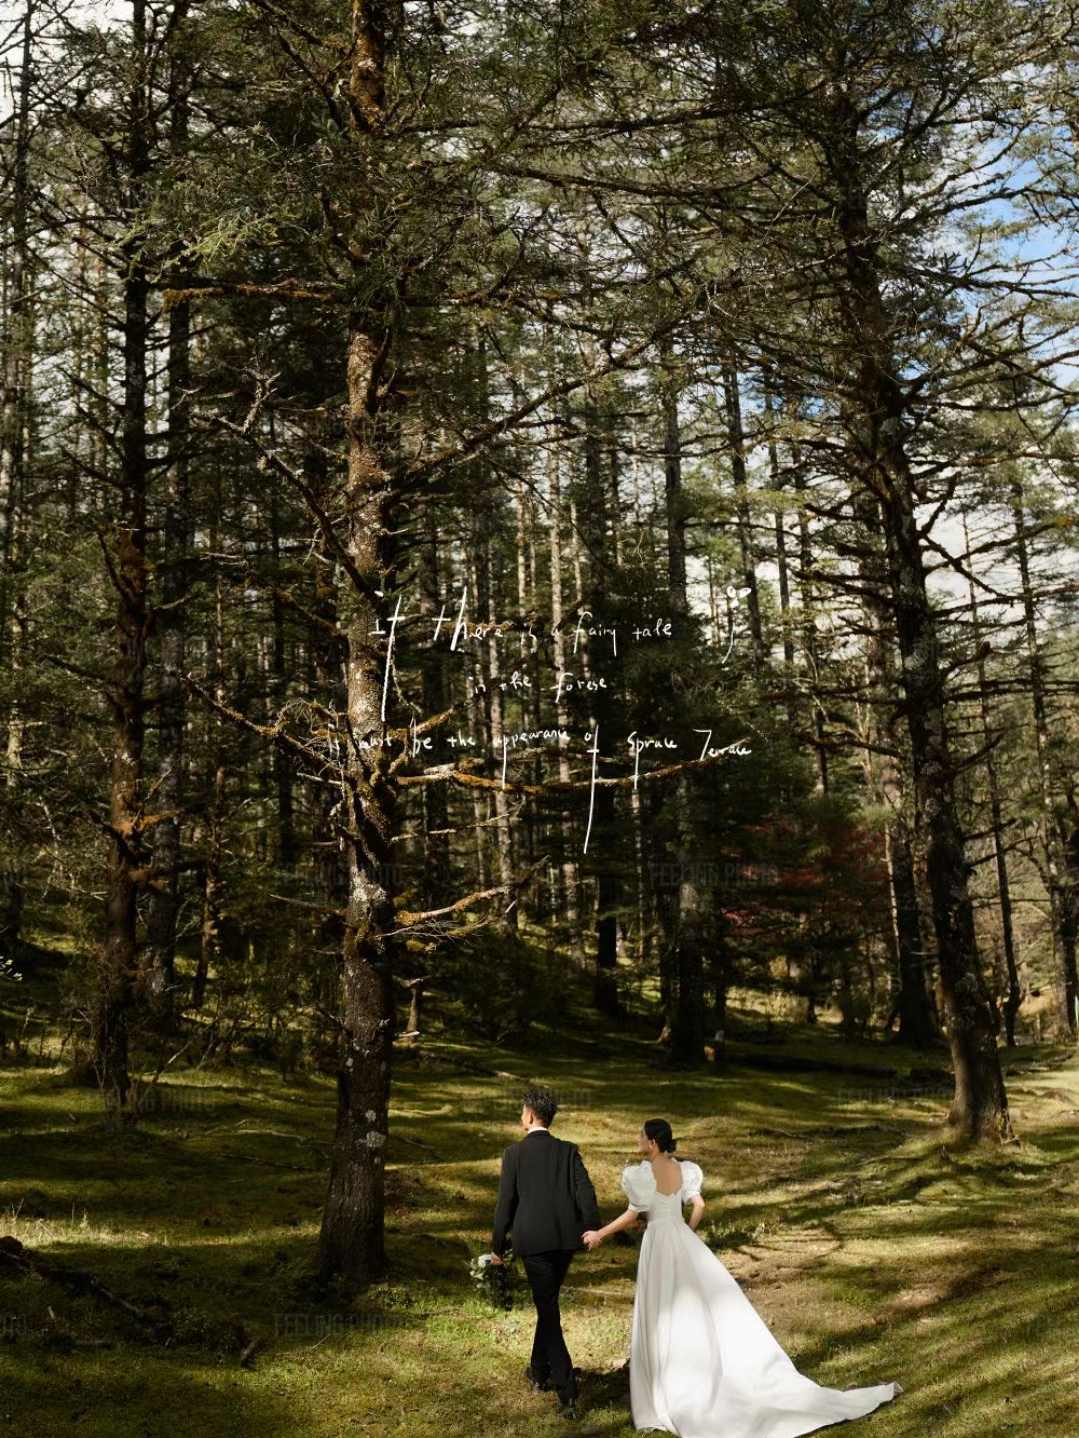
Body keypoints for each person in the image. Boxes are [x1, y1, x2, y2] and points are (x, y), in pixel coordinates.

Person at [581, 1119, 901, 1438]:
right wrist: (685, 1231)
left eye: (641, 1135)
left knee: (664, 1308)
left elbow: (632, 1215)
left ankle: (671, 1383)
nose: (638, 1139)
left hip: (660, 1243)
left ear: (652, 1143)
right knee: (694, 1307)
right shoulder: (681, 1169)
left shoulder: (644, 1174)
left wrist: (600, 1234)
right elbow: (699, 1205)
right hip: (681, 1240)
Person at [490, 1087, 600, 1421]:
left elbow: (505, 1203)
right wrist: (591, 1228)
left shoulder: (514, 1154)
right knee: (547, 1305)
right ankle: (538, 1372)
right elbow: (586, 1192)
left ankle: (568, 1394)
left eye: (522, 1110)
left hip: (534, 1243)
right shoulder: (568, 1151)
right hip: (566, 1241)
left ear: (530, 1115)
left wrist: (497, 1246)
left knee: (549, 1313)